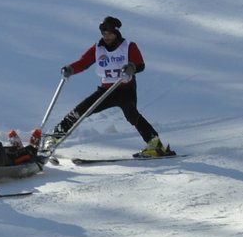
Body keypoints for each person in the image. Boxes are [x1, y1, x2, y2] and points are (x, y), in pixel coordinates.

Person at [48, 16, 174, 156]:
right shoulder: (98, 48)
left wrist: (131, 68)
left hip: (125, 89)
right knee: (81, 110)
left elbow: (140, 64)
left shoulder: (128, 46)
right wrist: (70, 69)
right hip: (106, 91)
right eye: (103, 33)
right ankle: (53, 138)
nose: (106, 37)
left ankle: (155, 144)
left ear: (116, 32)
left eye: (109, 33)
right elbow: (84, 62)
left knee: (131, 114)